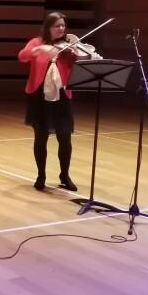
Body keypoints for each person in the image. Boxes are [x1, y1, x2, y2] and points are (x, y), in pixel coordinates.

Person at [18, 11, 90, 192]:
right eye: (57, 25)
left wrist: (78, 51)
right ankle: (41, 175)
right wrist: (38, 49)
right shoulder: (37, 42)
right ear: (48, 27)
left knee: (64, 138)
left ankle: (64, 175)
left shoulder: (69, 46)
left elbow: (86, 58)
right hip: (39, 96)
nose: (61, 28)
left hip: (62, 97)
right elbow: (22, 56)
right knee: (40, 137)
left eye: (63, 25)